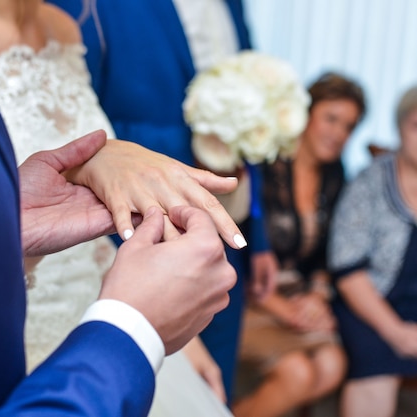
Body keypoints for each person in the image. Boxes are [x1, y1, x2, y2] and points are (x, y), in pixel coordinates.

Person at [0, 1, 242, 415]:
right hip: (51, 352)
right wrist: (136, 328)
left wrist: (14, 226)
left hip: (100, 311)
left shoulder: (64, 28)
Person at [51, 0, 279, 401]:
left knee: (214, 387)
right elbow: (85, 127)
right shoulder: (89, 10)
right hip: (143, 233)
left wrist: (258, 238)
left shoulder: (235, 7)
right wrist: (195, 157)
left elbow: (254, 114)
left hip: (231, 234)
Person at [328, 85, 417, 417]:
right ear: (400, 129)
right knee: (375, 382)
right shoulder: (368, 182)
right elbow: (347, 269)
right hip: (375, 312)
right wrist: (394, 331)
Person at [233, 72, 366, 417]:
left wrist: (317, 298)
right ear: (305, 115)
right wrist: (281, 308)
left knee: (333, 365)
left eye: (349, 126)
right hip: (247, 298)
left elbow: (330, 254)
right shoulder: (265, 165)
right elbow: (237, 248)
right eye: (331, 119)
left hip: (297, 297)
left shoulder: (336, 175)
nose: (339, 133)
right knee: (298, 373)